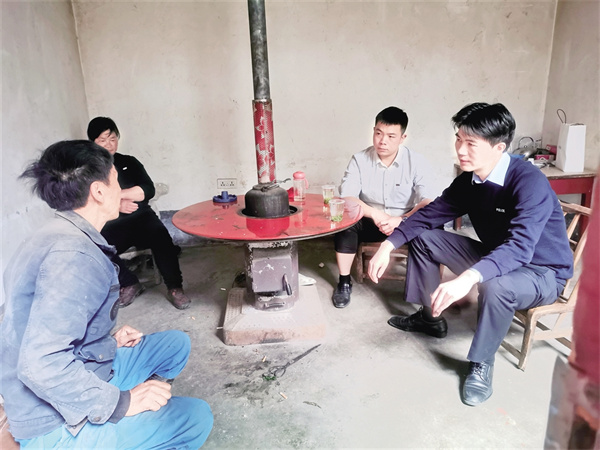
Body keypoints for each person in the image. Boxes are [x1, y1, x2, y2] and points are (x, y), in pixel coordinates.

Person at [0, 140, 213, 448]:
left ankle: (133, 415)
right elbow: (41, 363)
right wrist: (123, 404)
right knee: (195, 416)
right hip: (51, 418)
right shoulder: (72, 257)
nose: (120, 189)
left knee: (175, 344)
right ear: (99, 191)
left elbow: (46, 327)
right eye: (116, 180)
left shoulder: (55, 234)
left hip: (83, 371)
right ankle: (121, 422)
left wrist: (105, 342)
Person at [368, 102, 573, 406]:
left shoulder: (529, 182)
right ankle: (429, 317)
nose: (460, 150)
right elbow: (431, 214)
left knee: (496, 285)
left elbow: (520, 247)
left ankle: (481, 361)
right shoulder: (470, 179)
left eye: (471, 143)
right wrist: (389, 245)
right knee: (424, 237)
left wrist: (467, 278)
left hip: (540, 272)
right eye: (459, 139)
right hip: (496, 256)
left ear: (499, 147)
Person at [332, 106, 437, 308]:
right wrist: (375, 214)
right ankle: (344, 282)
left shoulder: (416, 161)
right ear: (373, 131)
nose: (383, 141)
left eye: (391, 136)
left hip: (404, 222)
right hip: (371, 221)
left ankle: (423, 290)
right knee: (345, 222)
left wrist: (402, 219)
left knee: (433, 226)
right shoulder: (360, 160)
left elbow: (428, 200)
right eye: (379, 133)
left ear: (403, 138)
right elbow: (347, 197)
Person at [87, 117, 190, 309]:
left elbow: (147, 190)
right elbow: (88, 200)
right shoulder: (88, 170)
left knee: (161, 236)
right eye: (102, 140)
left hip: (142, 218)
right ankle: (129, 283)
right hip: (112, 223)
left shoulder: (129, 162)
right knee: (95, 247)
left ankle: (175, 287)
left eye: (112, 138)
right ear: (93, 143)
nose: (109, 144)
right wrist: (117, 205)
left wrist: (115, 197)